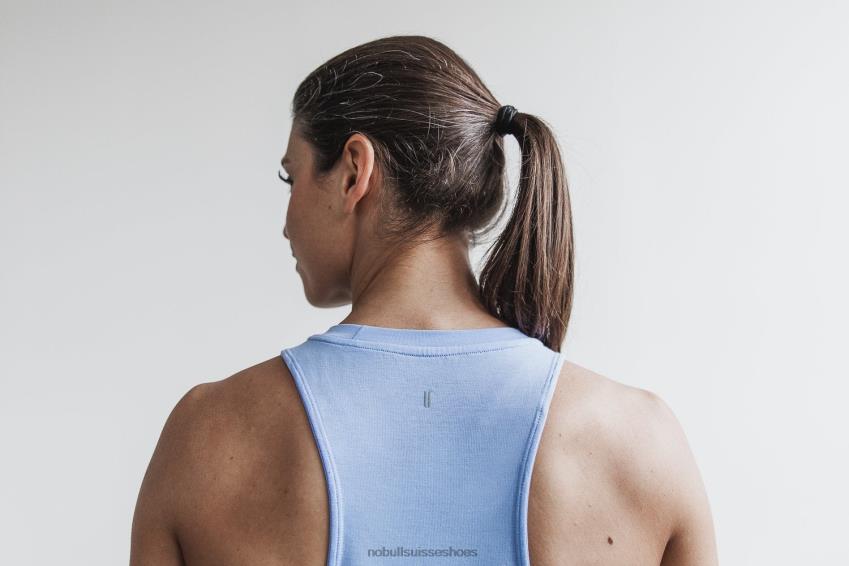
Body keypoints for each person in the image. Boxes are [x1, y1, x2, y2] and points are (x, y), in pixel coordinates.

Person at [130, 35, 718, 566]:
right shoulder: (642, 443)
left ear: (354, 171)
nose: (286, 222)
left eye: (293, 177)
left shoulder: (208, 438)